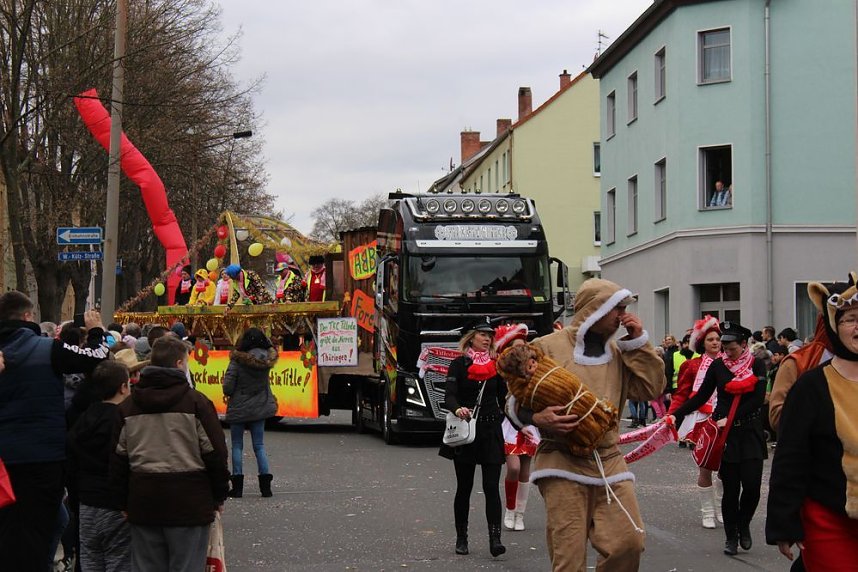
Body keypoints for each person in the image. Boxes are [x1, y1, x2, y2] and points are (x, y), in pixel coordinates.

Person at [507, 278, 666, 571]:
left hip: (609, 462)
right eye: (616, 308)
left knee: (628, 542)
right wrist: (536, 419)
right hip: (562, 461)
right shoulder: (547, 347)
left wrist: (639, 343)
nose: (623, 315)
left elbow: (651, 390)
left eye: (623, 308)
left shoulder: (620, 352)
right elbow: (514, 399)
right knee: (569, 557)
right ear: (595, 309)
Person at [0, 293, 109, 572]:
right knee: (40, 528)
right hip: (42, 455)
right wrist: (96, 330)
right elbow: (97, 358)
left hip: (5, 459)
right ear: (27, 316)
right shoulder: (47, 348)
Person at [110, 335, 229, 572]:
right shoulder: (196, 403)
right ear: (178, 364)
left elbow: (118, 458)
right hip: (189, 501)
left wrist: (122, 500)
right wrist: (218, 495)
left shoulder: (128, 407)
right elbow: (215, 453)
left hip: (144, 499)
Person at [766, 275, 858, 569]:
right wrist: (784, 521)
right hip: (830, 518)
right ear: (834, 326)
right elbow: (791, 457)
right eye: (851, 319)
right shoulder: (812, 386)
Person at [667, 321, 767, 557]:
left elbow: (757, 399)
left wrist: (731, 418)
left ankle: (744, 524)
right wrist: (676, 413)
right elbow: (700, 394)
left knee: (752, 487)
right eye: (724, 347)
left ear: (744, 344)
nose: (726, 352)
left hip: (749, 430)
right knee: (731, 488)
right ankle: (731, 536)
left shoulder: (757, 364)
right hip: (726, 434)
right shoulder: (718, 366)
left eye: (731, 348)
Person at [438, 317, 507, 558]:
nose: (487, 338)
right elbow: (448, 396)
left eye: (490, 335)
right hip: (467, 431)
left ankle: (495, 538)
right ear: (471, 337)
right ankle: (462, 538)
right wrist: (457, 409)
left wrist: (522, 425)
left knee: (491, 487)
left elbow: (505, 400)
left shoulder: (497, 366)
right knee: (464, 487)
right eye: (482, 334)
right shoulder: (459, 365)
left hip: (490, 432)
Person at [67, 360, 132, 571]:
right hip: (115, 505)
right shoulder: (124, 422)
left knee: (90, 561)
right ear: (123, 387)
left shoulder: (83, 419)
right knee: (119, 561)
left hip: (87, 503)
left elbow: (72, 464)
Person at [667, 315, 724, 529]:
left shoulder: (730, 363)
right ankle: (707, 512)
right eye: (710, 339)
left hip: (724, 419)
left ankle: (720, 507)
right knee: (705, 467)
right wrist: (672, 414)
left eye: (718, 339)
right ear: (702, 343)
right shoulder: (691, 366)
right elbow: (682, 395)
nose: (715, 342)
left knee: (726, 468)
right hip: (701, 418)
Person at [493, 323, 539, 532]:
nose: (521, 350)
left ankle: (520, 514)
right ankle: (510, 509)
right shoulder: (500, 373)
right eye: (516, 347)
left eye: (523, 346)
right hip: (510, 425)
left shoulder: (534, 371)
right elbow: (499, 402)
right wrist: (517, 424)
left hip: (530, 424)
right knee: (514, 467)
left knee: (525, 471)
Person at [223, 327, 278, 498]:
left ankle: (237, 486)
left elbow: (228, 387)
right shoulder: (266, 361)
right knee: (259, 445)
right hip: (260, 406)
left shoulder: (237, 361)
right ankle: (265, 487)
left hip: (239, 407)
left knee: (237, 445)